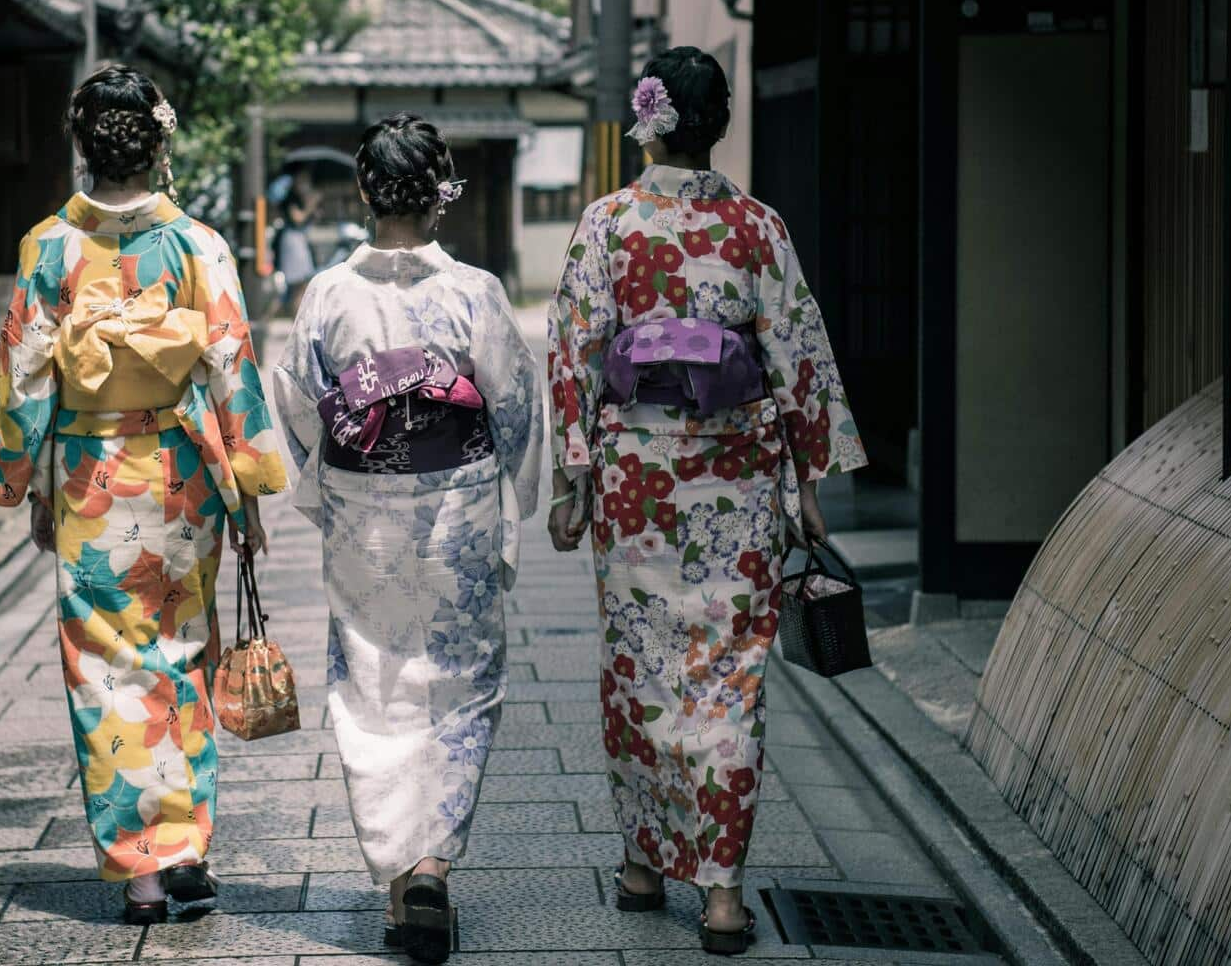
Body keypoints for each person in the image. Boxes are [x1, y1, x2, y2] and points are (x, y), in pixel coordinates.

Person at [544, 48, 866, 955]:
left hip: (637, 482)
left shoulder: (607, 224)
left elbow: (574, 359)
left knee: (642, 667)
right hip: (737, 477)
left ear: (645, 121)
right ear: (717, 123)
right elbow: (799, 355)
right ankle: (722, 891)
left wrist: (572, 485)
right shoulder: (758, 228)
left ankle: (645, 864)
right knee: (729, 678)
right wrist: (807, 482)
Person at [0, 62, 286, 924]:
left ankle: (144, 872)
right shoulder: (197, 243)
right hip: (184, 470)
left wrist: (22, 476)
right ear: (159, 144)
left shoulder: (50, 246)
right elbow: (232, 363)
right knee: (182, 649)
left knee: (108, 669)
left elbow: (25, 374)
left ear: (83, 145)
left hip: (89, 474)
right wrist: (251, 487)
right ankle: (187, 847)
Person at [272, 113, 543, 964]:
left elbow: (296, 401)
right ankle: (431, 865)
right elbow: (513, 405)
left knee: (373, 682)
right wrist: (514, 493)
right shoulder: (475, 293)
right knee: (458, 684)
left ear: (363, 193)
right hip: (455, 501)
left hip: (363, 505)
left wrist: (328, 484)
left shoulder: (327, 294)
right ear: (440, 195)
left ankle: (399, 884)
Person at [271, 172, 320, 317]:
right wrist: (311, 204)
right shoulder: (290, 200)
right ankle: (293, 318)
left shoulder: (298, 199)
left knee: (302, 285)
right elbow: (298, 218)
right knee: (297, 285)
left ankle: (295, 317)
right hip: (293, 243)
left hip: (298, 240)